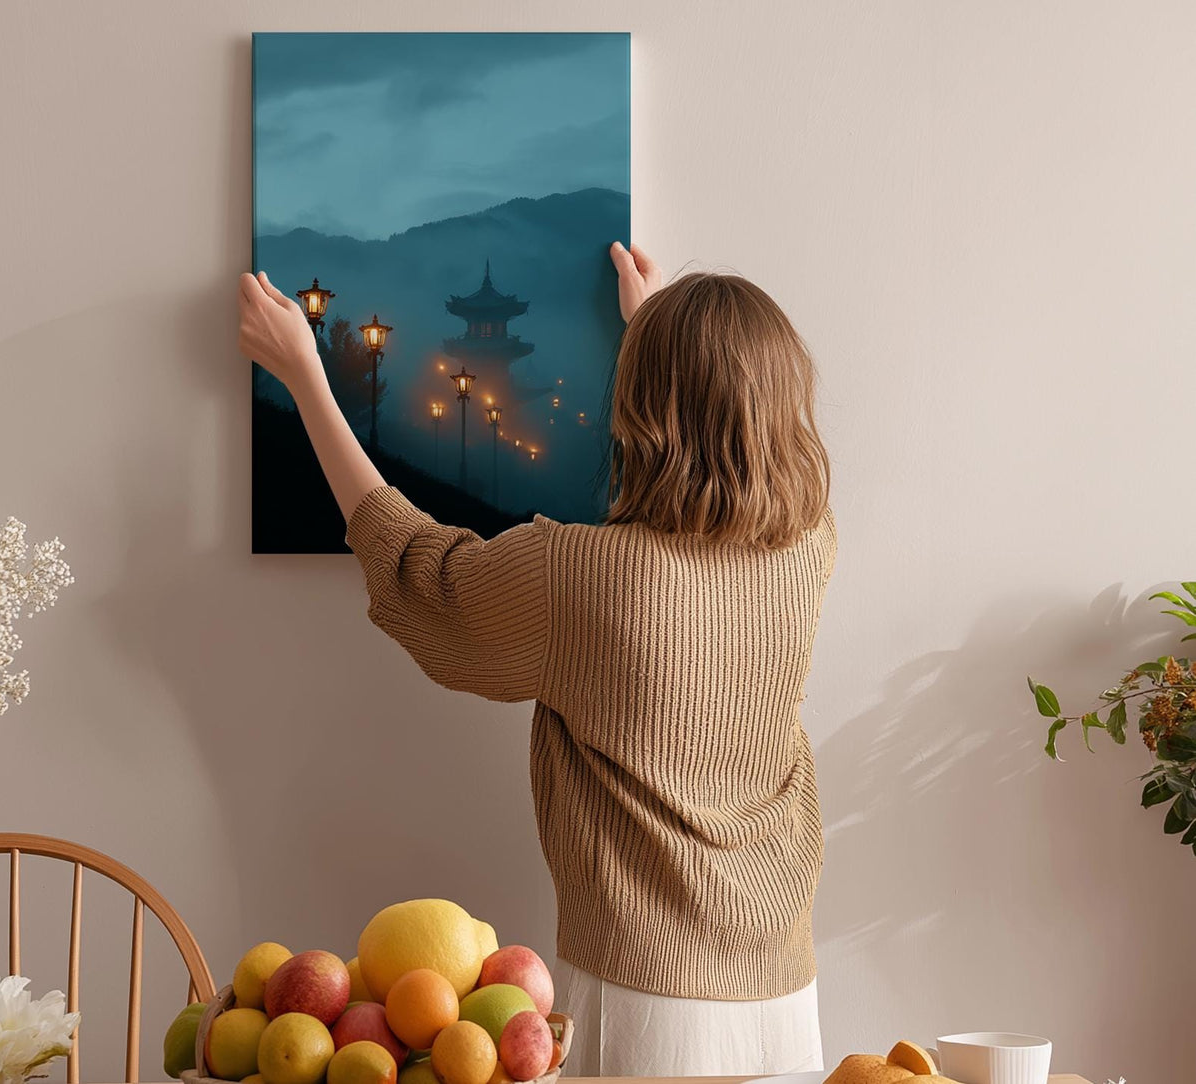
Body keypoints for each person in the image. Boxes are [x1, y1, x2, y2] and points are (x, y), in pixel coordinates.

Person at [237, 242, 835, 1077]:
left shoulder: (577, 575)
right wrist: (654, 330)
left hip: (643, 995)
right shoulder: (807, 548)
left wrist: (306, 375)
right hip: (783, 988)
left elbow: (419, 568)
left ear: (642, 405)